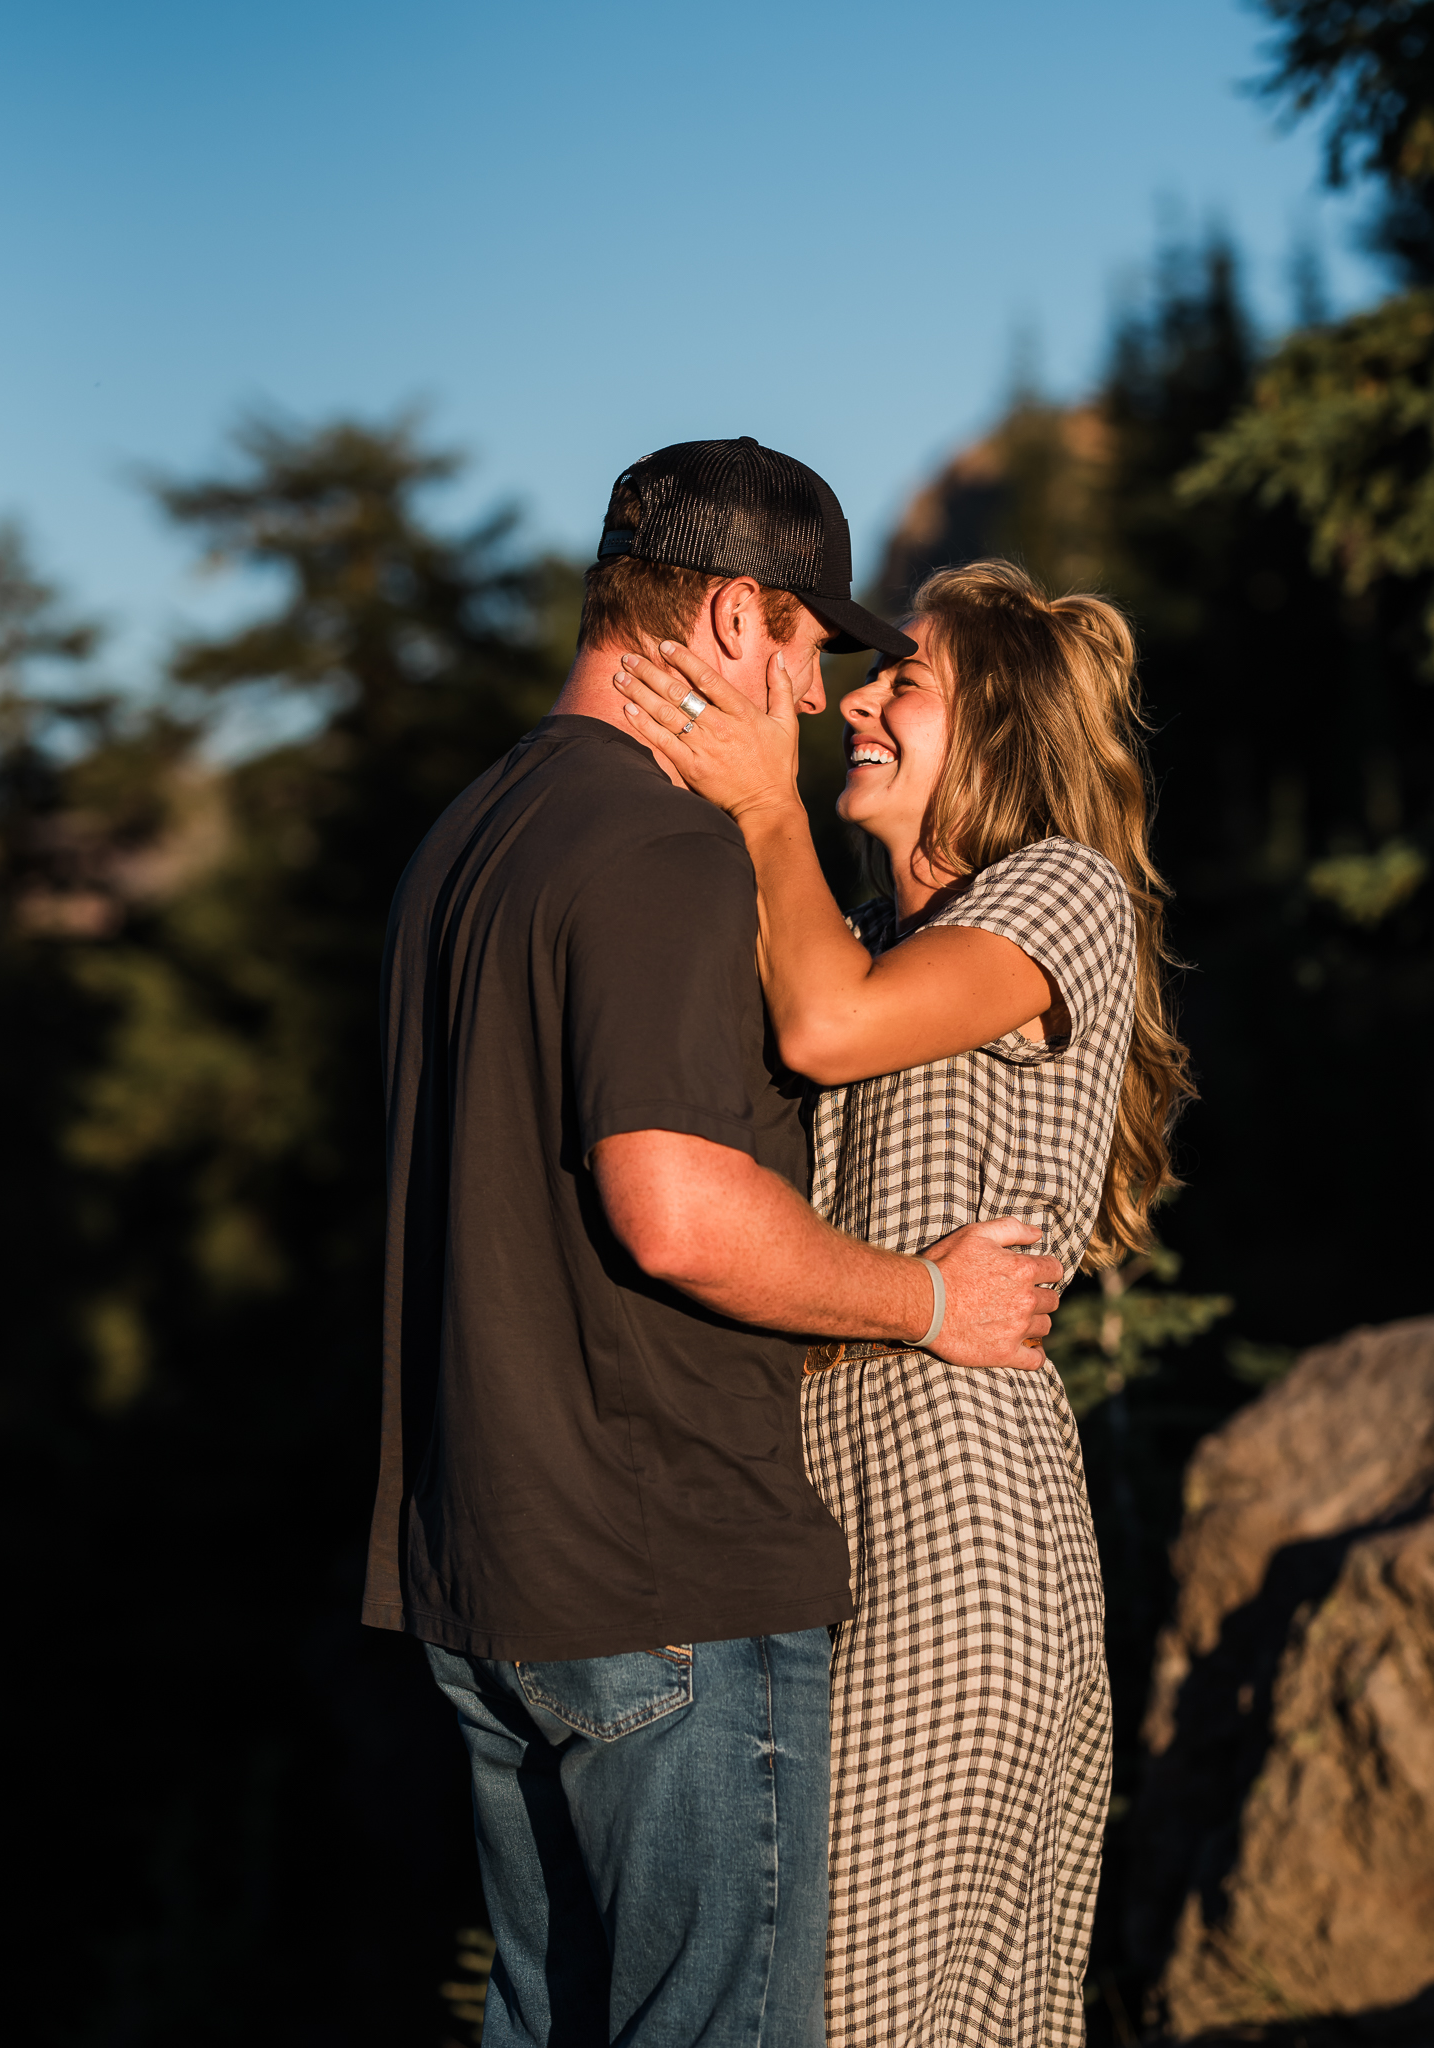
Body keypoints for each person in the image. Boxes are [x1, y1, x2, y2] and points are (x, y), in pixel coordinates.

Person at [363, 447, 1063, 2048]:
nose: (820, 699)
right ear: (736, 618)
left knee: (549, 2021)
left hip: (482, 1572)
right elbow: (674, 1210)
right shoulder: (663, 846)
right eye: (813, 648)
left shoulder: (467, 840)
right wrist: (931, 1296)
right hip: (662, 1565)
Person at [611, 557, 1194, 2048]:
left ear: (996, 736)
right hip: (859, 1513)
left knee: (857, 2015)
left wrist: (759, 801)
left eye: (905, 684)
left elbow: (823, 1028)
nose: (859, 700)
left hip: (954, 1526)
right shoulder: (876, 934)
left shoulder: (1059, 889)